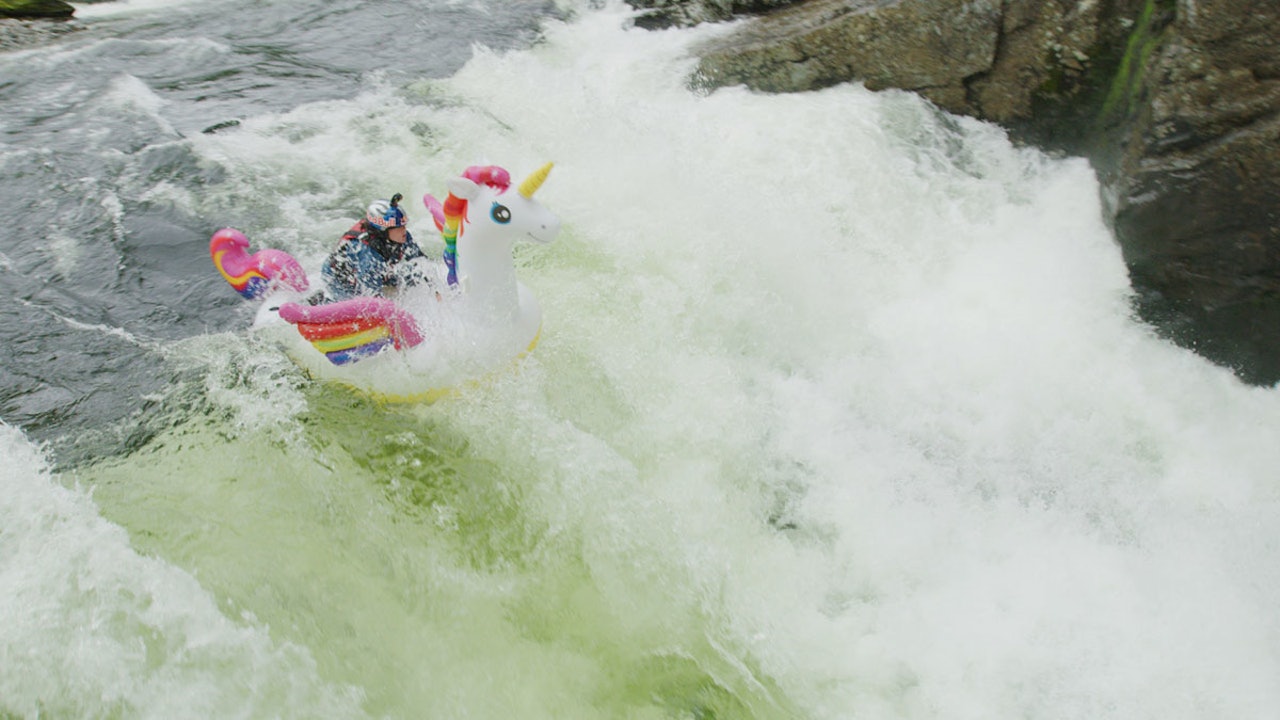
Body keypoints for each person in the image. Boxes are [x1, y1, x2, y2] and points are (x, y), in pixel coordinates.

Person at [321, 193, 430, 300]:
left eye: (404, 226)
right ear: (384, 230)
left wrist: (433, 288)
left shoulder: (401, 236)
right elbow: (372, 301)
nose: (404, 231)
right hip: (340, 280)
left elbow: (420, 261)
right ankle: (321, 302)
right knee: (355, 309)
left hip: (377, 270)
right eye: (399, 228)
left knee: (412, 274)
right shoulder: (368, 254)